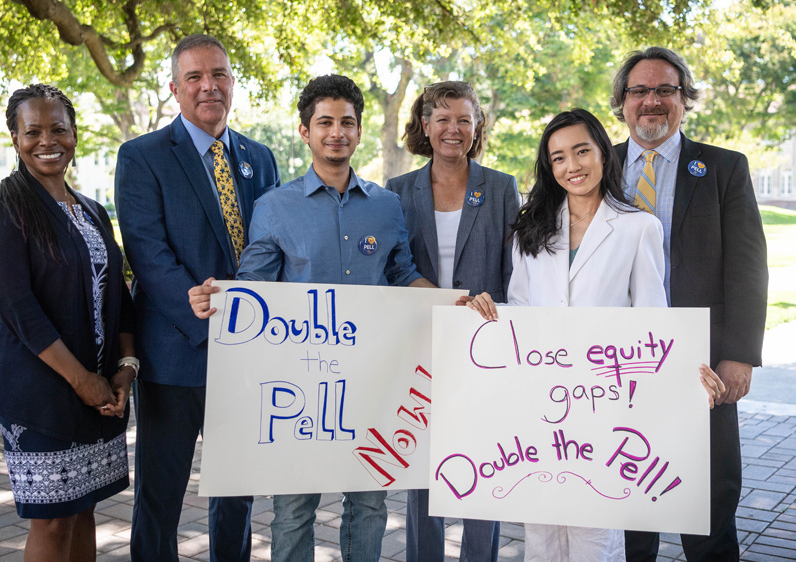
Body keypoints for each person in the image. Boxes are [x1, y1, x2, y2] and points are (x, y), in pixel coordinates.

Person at [188, 74, 435, 562]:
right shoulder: (274, 207)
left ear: (360, 131)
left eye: (347, 122)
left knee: (368, 505)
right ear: (305, 132)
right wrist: (217, 299)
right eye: (325, 122)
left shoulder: (387, 207)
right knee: (294, 510)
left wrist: (453, 303)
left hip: (371, 382)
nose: (336, 132)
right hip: (297, 391)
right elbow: (253, 286)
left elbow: (403, 272)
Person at [467, 108, 725, 562]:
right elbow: (523, 313)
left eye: (582, 151)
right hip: (540, 402)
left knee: (595, 532)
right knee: (542, 531)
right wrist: (486, 313)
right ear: (549, 167)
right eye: (559, 157)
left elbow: (652, 321)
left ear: (603, 153)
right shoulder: (531, 232)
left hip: (604, 405)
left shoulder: (637, 227)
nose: (572, 166)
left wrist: (687, 381)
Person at [114, 34, 281, 562]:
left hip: (248, 353)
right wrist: (197, 307)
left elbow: (273, 244)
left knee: (236, 491)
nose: (209, 85)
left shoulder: (260, 157)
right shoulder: (141, 157)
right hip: (176, 349)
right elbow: (145, 247)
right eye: (194, 77)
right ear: (174, 88)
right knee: (160, 493)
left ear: (232, 83)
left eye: (220, 74)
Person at [610, 46, 768, 562]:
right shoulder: (597, 166)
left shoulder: (724, 168)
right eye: (639, 91)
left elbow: (747, 266)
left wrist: (740, 354)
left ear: (684, 100)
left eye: (665, 90)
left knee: (709, 499)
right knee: (630, 498)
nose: (651, 101)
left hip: (704, 363)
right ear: (623, 101)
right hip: (616, 366)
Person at [0, 84, 136, 562]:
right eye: (33, 131)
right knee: (51, 517)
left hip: (99, 389)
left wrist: (124, 370)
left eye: (58, 129)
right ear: (14, 138)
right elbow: (19, 308)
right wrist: (81, 379)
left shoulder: (92, 209)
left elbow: (120, 297)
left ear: (73, 134)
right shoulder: (3, 206)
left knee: (83, 507)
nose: (47, 141)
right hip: (40, 389)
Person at [385, 81, 520, 562]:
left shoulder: (501, 187)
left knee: (486, 468)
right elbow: (391, 272)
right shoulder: (398, 191)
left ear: (477, 126)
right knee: (423, 474)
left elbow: (514, 273)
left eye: (464, 119)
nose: (453, 129)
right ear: (425, 126)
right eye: (442, 118)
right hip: (420, 349)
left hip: (485, 349)